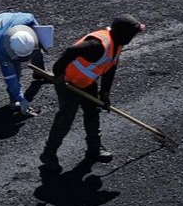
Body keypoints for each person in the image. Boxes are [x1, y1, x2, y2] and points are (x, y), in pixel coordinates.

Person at [40, 15, 146, 173]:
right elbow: (70, 51)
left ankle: (94, 149)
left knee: (93, 112)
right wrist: (59, 75)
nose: (133, 37)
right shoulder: (97, 44)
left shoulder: (117, 44)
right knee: (65, 119)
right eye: (132, 34)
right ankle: (49, 154)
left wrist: (104, 93)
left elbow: (110, 68)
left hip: (87, 83)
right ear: (123, 34)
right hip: (68, 84)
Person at [0, 11, 47, 117]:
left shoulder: (28, 20)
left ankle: (39, 72)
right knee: (15, 71)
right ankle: (14, 101)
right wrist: (21, 99)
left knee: (37, 51)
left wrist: (42, 43)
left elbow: (39, 35)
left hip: (13, 21)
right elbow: (10, 77)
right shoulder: (3, 51)